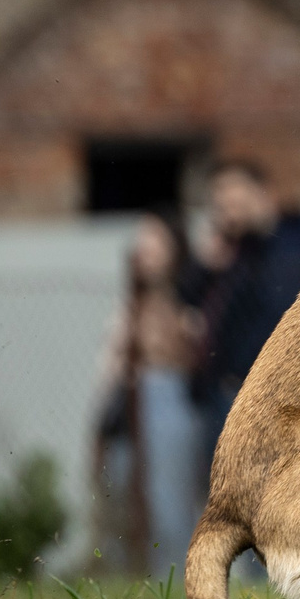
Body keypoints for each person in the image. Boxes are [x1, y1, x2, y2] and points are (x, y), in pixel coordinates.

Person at [91, 209, 207, 575]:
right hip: (128, 414)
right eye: (141, 240)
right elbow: (110, 370)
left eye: (154, 240)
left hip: (170, 402)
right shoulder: (131, 304)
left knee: (170, 502)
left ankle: (177, 577)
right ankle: (139, 577)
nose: (143, 248)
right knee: (123, 500)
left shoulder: (188, 302)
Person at [191, 158, 300, 454]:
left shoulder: (286, 240)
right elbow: (188, 297)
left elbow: (278, 304)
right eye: (218, 201)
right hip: (223, 391)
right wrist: (206, 265)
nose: (224, 209)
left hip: (265, 393)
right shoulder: (233, 252)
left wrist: (262, 225)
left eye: (232, 197)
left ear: (260, 194)